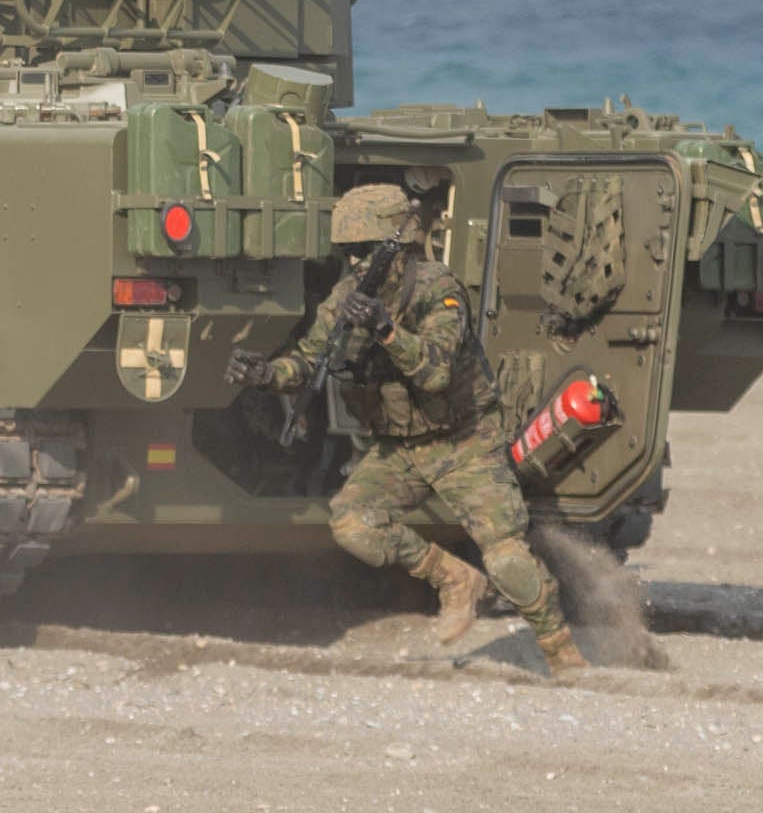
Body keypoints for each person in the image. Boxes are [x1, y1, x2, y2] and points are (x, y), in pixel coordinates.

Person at [243, 176, 585, 680]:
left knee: (508, 558)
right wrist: (267, 374)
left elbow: (436, 372)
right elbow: (309, 360)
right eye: (348, 252)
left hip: (464, 440)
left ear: (396, 249)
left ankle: (562, 653)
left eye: (365, 251)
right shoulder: (343, 299)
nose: (356, 263)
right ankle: (453, 580)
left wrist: (384, 328)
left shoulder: (437, 291)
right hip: (398, 449)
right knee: (353, 524)